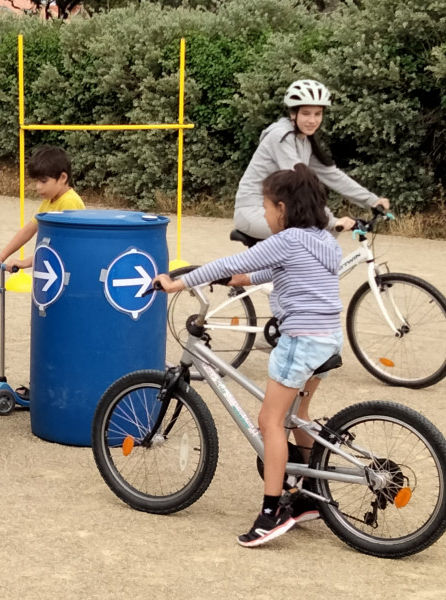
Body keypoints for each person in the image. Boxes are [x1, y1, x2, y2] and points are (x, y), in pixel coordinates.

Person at [154, 164, 343, 547]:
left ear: (284, 208)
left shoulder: (288, 239)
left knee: (270, 422)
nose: (265, 215)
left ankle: (271, 513)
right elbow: (267, 271)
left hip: (300, 341)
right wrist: (237, 280)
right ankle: (307, 494)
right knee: (299, 417)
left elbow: (232, 263)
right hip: (328, 338)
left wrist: (176, 282)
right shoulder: (322, 240)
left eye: (266, 208)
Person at [234, 79, 390, 240]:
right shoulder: (280, 136)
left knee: (322, 239)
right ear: (293, 113)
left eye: (318, 114)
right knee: (310, 235)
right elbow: (300, 184)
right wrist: (330, 220)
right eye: (306, 113)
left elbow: (331, 175)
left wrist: (371, 200)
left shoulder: (304, 140)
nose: (312, 120)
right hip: (254, 211)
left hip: (277, 211)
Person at [0, 145, 84, 270]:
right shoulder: (50, 200)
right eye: (36, 181)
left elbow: (62, 246)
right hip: (53, 266)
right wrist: (1, 256)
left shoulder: (69, 202)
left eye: (43, 181)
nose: (38, 187)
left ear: (62, 178)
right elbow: (28, 231)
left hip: (67, 270)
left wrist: (25, 262)